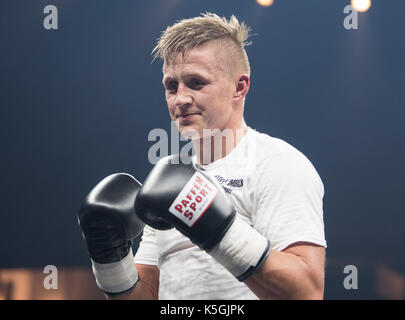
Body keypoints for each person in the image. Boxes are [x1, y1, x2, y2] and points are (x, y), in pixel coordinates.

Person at [78, 13, 326, 300]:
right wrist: (110, 259)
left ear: (239, 87)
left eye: (196, 83)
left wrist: (218, 229)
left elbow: (306, 292)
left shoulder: (276, 163)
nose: (180, 99)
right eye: (171, 86)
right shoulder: (169, 182)